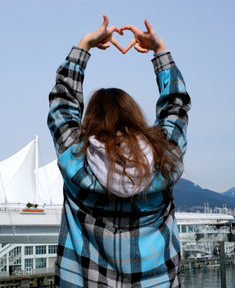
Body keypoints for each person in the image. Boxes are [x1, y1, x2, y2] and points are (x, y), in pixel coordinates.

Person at [47, 16, 191, 287]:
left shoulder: (76, 162)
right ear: (135, 118)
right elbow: (176, 106)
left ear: (90, 123)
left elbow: (62, 102)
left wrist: (85, 45)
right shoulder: (165, 159)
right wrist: (159, 50)